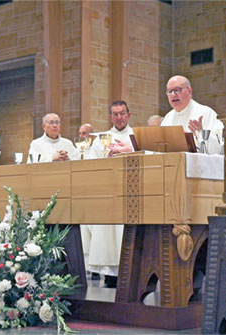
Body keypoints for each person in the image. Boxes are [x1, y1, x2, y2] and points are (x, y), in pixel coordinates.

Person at [85, 100, 135, 288]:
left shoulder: (136, 136)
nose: (119, 117)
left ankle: (131, 272)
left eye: (122, 113)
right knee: (107, 234)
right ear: (110, 116)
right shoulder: (101, 139)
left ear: (129, 114)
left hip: (131, 192)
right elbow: (92, 164)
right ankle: (111, 274)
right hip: (109, 192)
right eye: (115, 114)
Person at [161, 75, 223, 154]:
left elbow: (219, 147)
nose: (173, 95)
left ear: (189, 91)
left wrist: (202, 134)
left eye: (177, 90)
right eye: (170, 91)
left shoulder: (206, 113)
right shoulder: (168, 118)